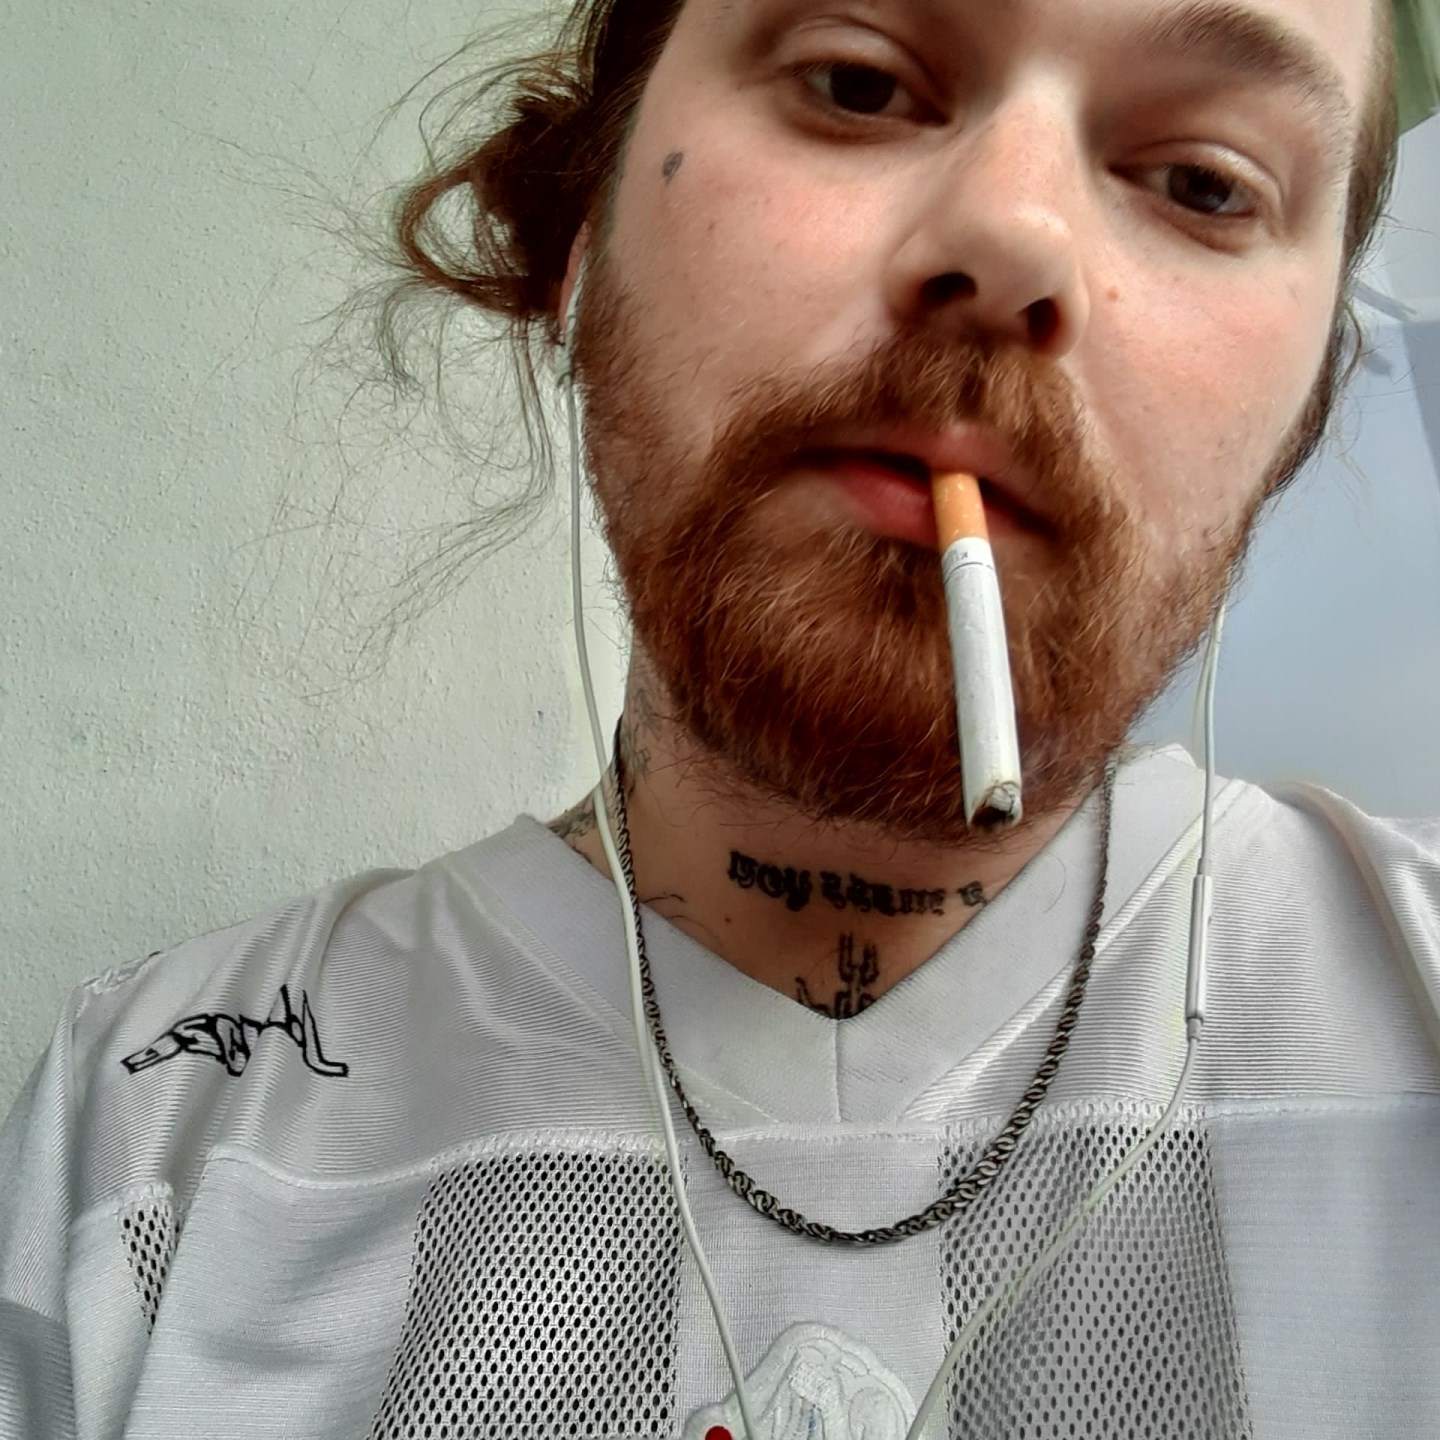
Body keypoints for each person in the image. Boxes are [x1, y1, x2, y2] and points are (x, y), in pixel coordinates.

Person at [3, 0, 1436, 1435]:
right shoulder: (152, 1142)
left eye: (1203, 183)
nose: (1014, 239)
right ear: (585, 238)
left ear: (1304, 406)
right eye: (856, 83)